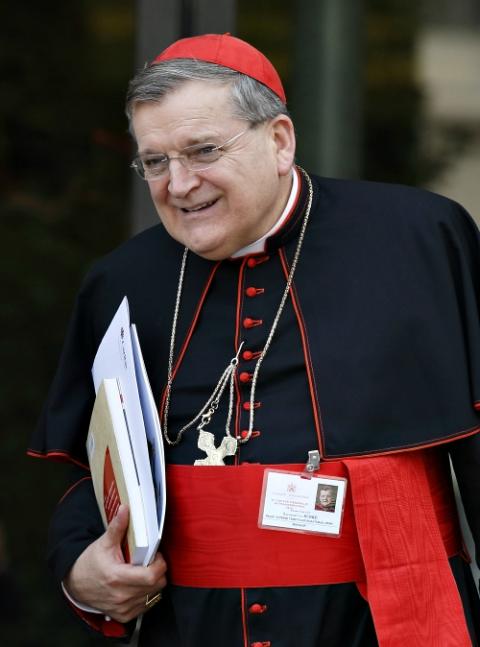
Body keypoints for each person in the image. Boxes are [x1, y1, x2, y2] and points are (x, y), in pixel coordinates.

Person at [28, 33, 480, 646]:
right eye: (155, 161)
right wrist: (81, 573)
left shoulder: (419, 239)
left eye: (203, 150)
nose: (180, 185)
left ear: (279, 141)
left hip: (376, 624)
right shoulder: (122, 281)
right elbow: (91, 473)